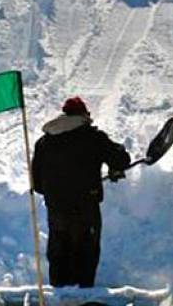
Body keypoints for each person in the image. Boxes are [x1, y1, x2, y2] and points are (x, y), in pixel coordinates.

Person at [31, 96, 131, 288]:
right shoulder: (93, 138)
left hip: (56, 211)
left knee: (59, 254)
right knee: (85, 255)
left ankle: (60, 298)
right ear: (83, 115)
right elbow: (120, 160)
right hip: (86, 209)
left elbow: (37, 184)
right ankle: (83, 297)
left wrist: (58, 189)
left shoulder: (44, 143)